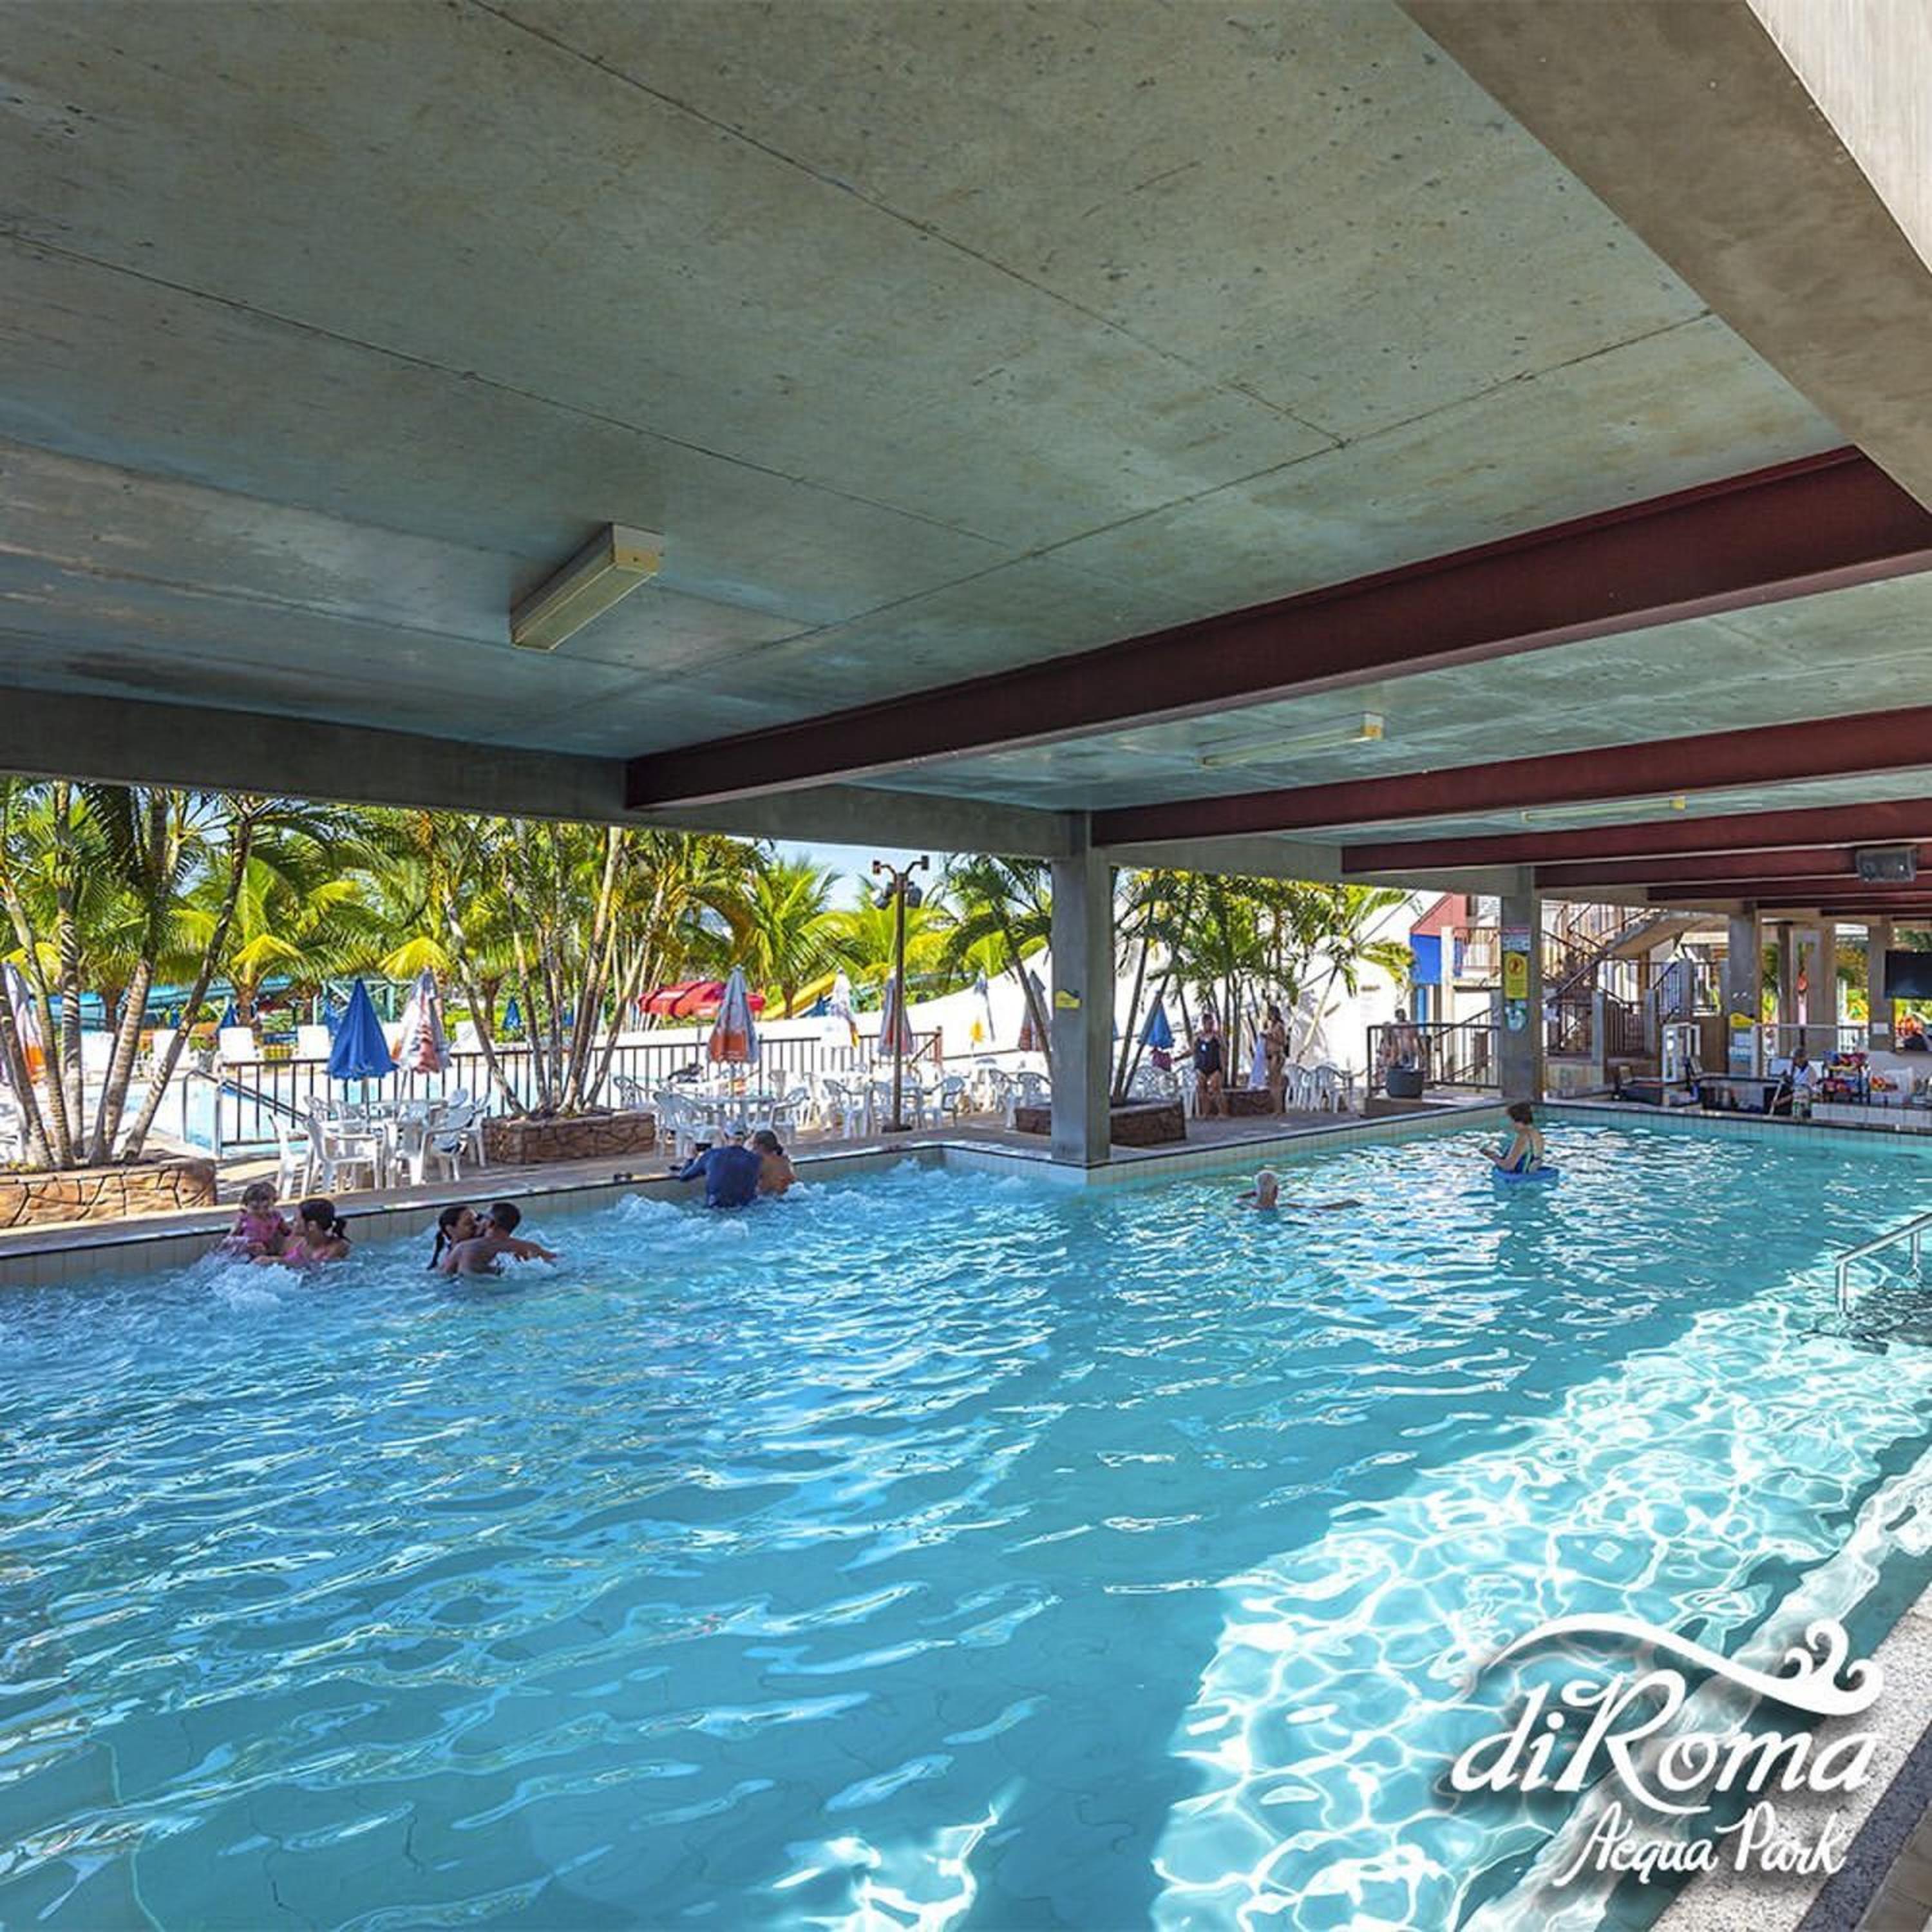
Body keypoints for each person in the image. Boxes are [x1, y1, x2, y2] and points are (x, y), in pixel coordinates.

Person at [439, 1200, 560, 1276]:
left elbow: (443, 1277)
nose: (478, 1223)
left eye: (482, 1218)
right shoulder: (528, 1247)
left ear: (490, 1223)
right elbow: (560, 1263)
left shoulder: (464, 1248)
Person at [674, 1128, 765, 1209]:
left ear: (724, 1137)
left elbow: (684, 1177)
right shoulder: (756, 1160)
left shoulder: (711, 1155)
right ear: (746, 1139)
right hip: (745, 1210)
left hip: (715, 1209)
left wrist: (690, 1159)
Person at [266, 1197, 352, 1267]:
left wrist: (279, 1261)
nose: (292, 1223)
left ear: (311, 1226)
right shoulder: (301, 1243)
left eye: (296, 1220)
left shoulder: (337, 1248)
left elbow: (318, 1273)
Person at [1236, 1168, 1361, 1213]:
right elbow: (1321, 1209)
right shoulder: (1286, 1207)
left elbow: (1239, 1198)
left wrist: (1258, 1192)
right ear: (1277, 1191)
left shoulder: (1247, 1206)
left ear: (1256, 1191)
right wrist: (1346, 1203)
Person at [220, 1179, 289, 1259]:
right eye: (255, 1208)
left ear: (274, 1203)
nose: (261, 1212)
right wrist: (248, 1246)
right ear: (246, 1206)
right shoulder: (245, 1218)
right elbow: (228, 1241)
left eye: (266, 1207)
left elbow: (287, 1232)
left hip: (267, 1251)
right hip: (247, 1252)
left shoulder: (276, 1216)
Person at [1488, 1101, 1546, 1175]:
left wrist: (1492, 1157)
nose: (1510, 1124)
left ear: (1517, 1120)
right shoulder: (1537, 1134)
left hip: (1520, 1179)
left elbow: (1509, 1166)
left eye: (1511, 1120)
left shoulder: (1523, 1136)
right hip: (1531, 1176)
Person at [1192, 1012, 1227, 1118]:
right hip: (1201, 1065)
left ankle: (1222, 1112)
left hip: (1214, 1065)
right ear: (1203, 1024)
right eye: (1208, 1023)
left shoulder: (1217, 1036)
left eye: (1212, 1023)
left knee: (1216, 1089)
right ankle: (1205, 1112)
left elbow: (1224, 1048)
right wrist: (1178, 1058)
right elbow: (1192, 1050)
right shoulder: (1198, 1037)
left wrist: (1224, 1064)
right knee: (1202, 1089)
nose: (1210, 1026)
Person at [426, 1202, 479, 1270]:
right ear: (451, 1230)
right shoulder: (448, 1260)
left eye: (477, 1220)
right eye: (469, 1223)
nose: (477, 1225)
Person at [750, 1128, 796, 1197]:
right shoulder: (785, 1159)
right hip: (791, 1194)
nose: (752, 1147)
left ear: (761, 1146)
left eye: (753, 1144)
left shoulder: (761, 1162)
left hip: (770, 1199)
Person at [1262, 1003, 1289, 1112]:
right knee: (1272, 1083)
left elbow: (1283, 1042)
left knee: (1276, 1082)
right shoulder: (1271, 1026)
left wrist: (1270, 1037)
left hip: (1276, 1054)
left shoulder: (1279, 1026)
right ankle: (1276, 1108)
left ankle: (1279, 1108)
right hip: (1270, 1054)